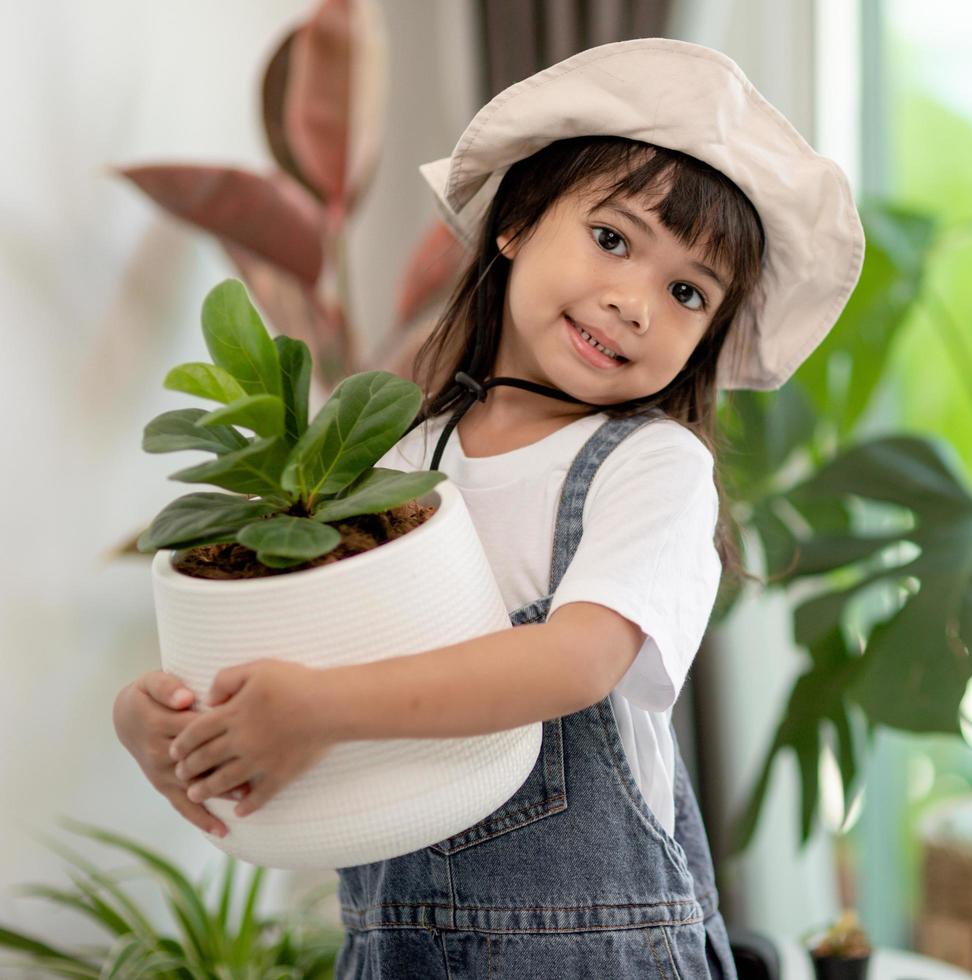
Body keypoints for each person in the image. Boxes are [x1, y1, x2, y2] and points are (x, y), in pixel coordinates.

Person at [112, 37, 863, 978]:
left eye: (687, 292)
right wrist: (167, 719)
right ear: (515, 221)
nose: (635, 302)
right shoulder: (394, 460)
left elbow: (576, 658)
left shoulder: (651, 467)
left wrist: (320, 706)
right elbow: (293, 649)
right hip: (393, 953)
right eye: (612, 238)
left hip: (598, 956)